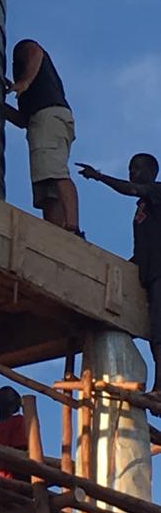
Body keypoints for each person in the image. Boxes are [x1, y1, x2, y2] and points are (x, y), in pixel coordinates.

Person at [77, 153, 161, 389]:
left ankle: (160, 388)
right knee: (155, 333)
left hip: (159, 273)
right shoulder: (143, 208)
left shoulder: (156, 190)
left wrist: (99, 177)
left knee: (159, 331)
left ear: (151, 171)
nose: (131, 173)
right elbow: (143, 249)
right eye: (129, 169)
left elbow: (130, 189)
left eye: (136, 168)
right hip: (149, 272)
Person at [4, 39, 81, 234]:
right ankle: (57, 233)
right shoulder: (28, 89)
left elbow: (34, 50)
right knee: (46, 186)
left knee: (56, 172)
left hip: (48, 117)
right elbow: (22, 120)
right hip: (42, 123)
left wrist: (24, 82)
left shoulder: (23, 53)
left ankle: (72, 227)